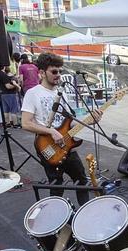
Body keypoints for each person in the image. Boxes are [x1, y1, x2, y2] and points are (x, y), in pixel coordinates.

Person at [21, 52, 102, 206]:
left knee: (81, 180)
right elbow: (26, 123)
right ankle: (56, 220)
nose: (58, 75)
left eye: (60, 71)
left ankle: (85, 212)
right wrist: (51, 131)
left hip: (67, 145)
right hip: (48, 145)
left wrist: (89, 121)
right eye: (54, 71)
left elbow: (69, 122)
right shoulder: (33, 94)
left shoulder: (61, 93)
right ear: (42, 73)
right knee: (57, 185)